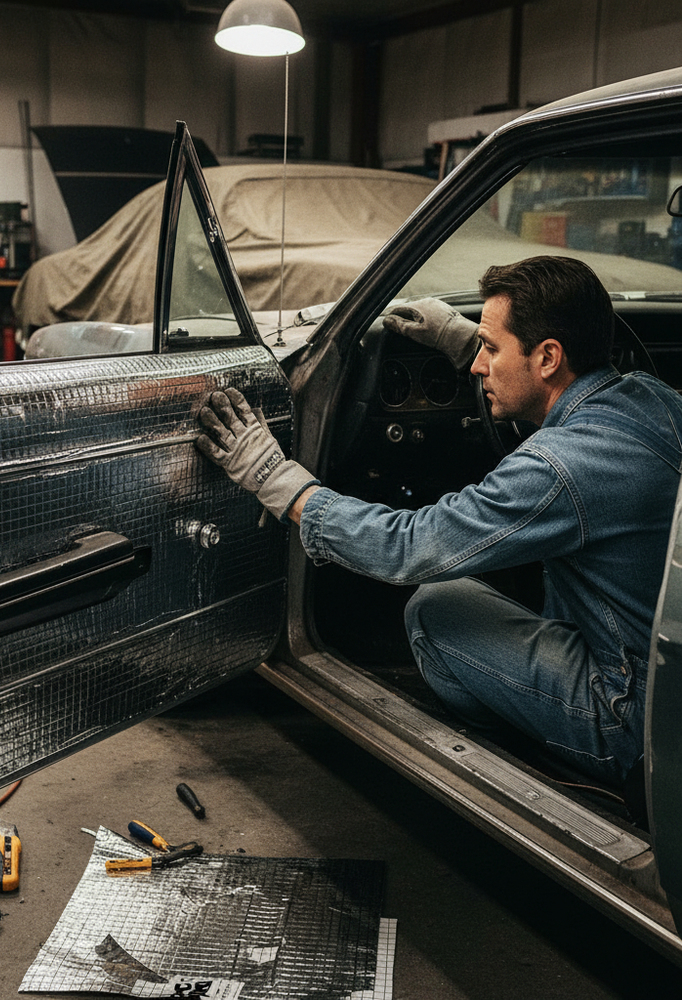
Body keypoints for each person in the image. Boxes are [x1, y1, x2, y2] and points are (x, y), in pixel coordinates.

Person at [196, 255, 682, 786]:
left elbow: (407, 548)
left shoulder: (558, 468)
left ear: (547, 357)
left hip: (636, 728)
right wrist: (463, 341)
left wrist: (276, 479)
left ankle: (539, 768)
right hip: (669, 688)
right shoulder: (652, 397)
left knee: (435, 608)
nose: (478, 365)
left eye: (490, 349)